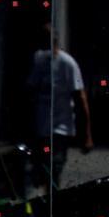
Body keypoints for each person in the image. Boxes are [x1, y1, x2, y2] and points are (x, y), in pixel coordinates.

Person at [27, 25, 94, 192]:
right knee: (39, 172)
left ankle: (52, 208)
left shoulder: (67, 64)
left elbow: (80, 99)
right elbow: (30, 90)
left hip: (59, 130)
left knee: (53, 170)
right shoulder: (39, 60)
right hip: (40, 130)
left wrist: (86, 135)